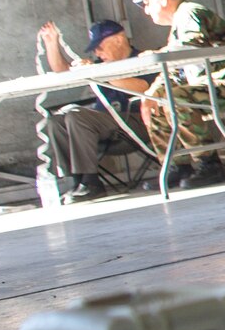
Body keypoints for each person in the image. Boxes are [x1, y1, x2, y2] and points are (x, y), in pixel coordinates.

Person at [131, 0, 225, 188]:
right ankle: (177, 166)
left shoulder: (189, 12)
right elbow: (177, 70)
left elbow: (190, 48)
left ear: (162, 0)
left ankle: (209, 164)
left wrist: (158, 54)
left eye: (147, 4)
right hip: (213, 86)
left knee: (178, 97)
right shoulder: (179, 23)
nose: (146, 12)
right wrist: (152, 93)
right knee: (155, 101)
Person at [34, 18, 149, 204]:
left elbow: (142, 87)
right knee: (57, 120)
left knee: (77, 116)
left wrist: (99, 73)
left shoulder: (142, 59)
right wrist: (52, 43)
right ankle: (76, 180)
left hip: (134, 122)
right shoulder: (100, 65)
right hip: (103, 126)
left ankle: (91, 182)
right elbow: (62, 71)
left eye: (100, 47)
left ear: (119, 39)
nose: (97, 52)